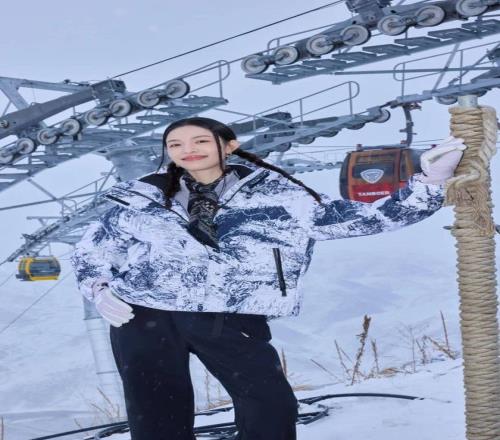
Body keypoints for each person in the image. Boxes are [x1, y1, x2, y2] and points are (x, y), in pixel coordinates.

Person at [70, 116, 465, 440]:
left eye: (200, 141)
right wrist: (98, 288)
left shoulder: (275, 193)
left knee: (270, 404)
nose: (187, 149)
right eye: (175, 144)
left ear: (228, 145)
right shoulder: (142, 197)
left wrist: (428, 183)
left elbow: (355, 219)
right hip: (143, 314)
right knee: (156, 414)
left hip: (229, 313)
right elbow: (94, 249)